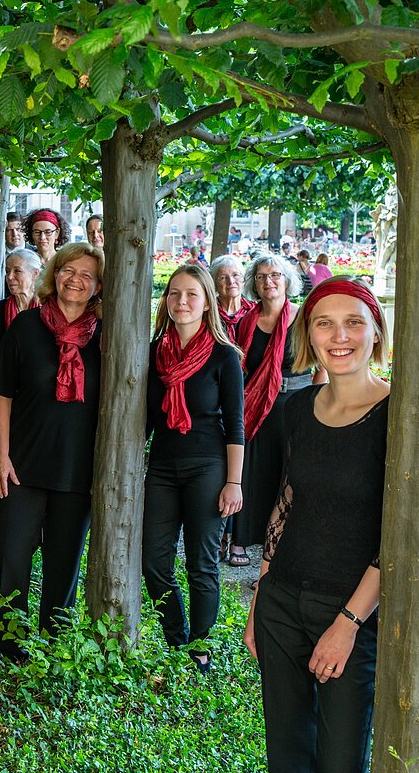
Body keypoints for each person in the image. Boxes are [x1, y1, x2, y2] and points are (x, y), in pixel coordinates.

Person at [244, 277, 389, 772]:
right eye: (325, 323)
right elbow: (287, 504)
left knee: (340, 760)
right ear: (309, 334)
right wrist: (261, 597)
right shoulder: (298, 408)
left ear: (376, 331)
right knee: (286, 755)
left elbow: (397, 540)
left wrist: (348, 624)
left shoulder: (399, 417)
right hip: (281, 602)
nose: (339, 336)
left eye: (353, 323)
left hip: (352, 612)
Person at [0, 242, 103, 661]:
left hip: (78, 470)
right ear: (54, 274)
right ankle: (11, 647)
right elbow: (2, 395)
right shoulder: (25, 326)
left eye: (87, 275)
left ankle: (53, 648)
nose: (75, 280)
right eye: (68, 270)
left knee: (63, 565)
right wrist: (1, 457)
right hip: (22, 465)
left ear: (98, 286)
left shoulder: (107, 336)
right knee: (11, 560)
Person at [142, 265, 245, 672]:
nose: (181, 301)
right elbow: (143, 419)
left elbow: (235, 424)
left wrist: (234, 481)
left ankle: (200, 650)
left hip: (208, 467)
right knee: (154, 562)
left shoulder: (224, 356)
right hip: (162, 467)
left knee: (201, 564)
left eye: (191, 295)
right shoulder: (153, 353)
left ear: (206, 304)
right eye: (174, 293)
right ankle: (177, 638)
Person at [228, 254, 322, 568]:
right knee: (252, 472)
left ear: (286, 280)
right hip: (256, 405)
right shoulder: (246, 321)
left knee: (288, 474)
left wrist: (316, 404)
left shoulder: (303, 318)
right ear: (254, 284)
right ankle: (241, 538)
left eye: (275, 275)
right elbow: (239, 366)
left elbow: (320, 366)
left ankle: (281, 544)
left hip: (295, 404)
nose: (269, 281)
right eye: (261, 277)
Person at [0, 248, 41, 419]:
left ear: (35, 274)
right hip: (5, 396)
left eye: (17, 271)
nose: (9, 277)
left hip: (38, 398)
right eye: (7, 271)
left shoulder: (47, 310)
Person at [210, 255, 256, 345]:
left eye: (235, 275)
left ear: (243, 280)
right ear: (214, 284)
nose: (231, 281)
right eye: (223, 277)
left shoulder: (254, 312)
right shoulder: (208, 313)